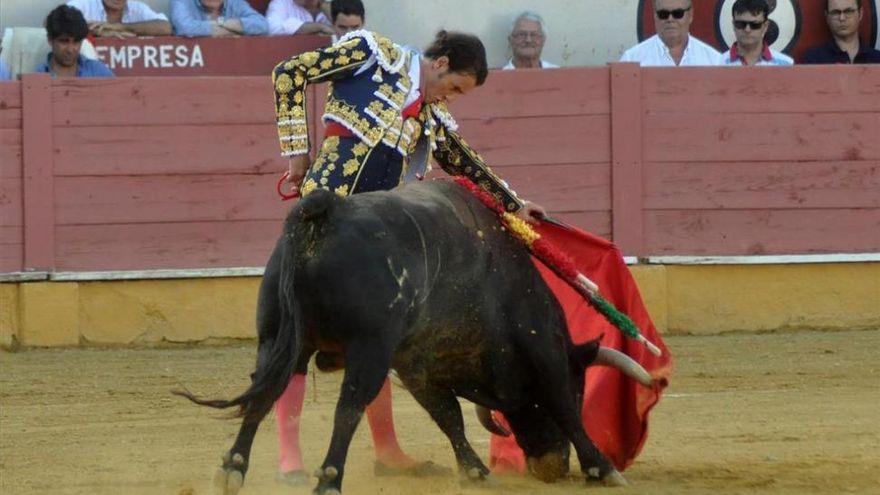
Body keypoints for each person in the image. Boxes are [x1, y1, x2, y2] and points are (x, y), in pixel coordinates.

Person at [269, 28, 547, 484]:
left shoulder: (432, 114)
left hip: (376, 245)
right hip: (321, 222)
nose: (452, 98)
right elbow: (290, 72)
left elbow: (462, 160)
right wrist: (297, 152)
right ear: (439, 64)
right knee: (296, 336)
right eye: (455, 86)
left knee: (378, 339)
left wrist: (514, 203)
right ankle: (288, 460)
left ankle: (387, 449)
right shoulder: (372, 54)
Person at [620, 0, 722, 66]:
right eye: (663, 14)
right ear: (655, 16)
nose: (670, 19)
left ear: (690, 15)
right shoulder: (631, 59)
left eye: (678, 13)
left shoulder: (714, 61)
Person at [37, 5, 114, 78]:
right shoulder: (38, 77)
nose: (70, 50)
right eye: (64, 41)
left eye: (76, 41)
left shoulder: (97, 71)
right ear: (50, 40)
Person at [801, 0, 880, 64]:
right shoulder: (814, 59)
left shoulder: (877, 59)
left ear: (860, 14)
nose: (842, 18)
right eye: (835, 12)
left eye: (848, 11)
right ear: (827, 17)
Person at [721, 0, 793, 66]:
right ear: (733, 25)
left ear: (765, 26)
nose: (747, 30)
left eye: (755, 25)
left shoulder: (785, 64)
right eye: (741, 24)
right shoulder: (718, 64)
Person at [66, 0, 173, 38]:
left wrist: (120, 27)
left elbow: (166, 27)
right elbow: (63, 21)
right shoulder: (84, 4)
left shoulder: (137, 8)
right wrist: (99, 32)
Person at [170, 0, 269, 37]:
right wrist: (234, 30)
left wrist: (222, 23)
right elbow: (184, 27)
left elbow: (263, 25)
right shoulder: (182, 2)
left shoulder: (235, 3)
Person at [266, 0, 334, 36]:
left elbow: (343, 30)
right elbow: (271, 28)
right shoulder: (281, 3)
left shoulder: (331, 3)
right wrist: (319, 27)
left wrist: (324, 5)